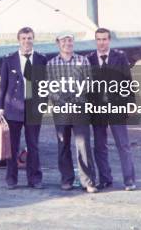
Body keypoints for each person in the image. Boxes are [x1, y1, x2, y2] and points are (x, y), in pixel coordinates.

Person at [46, 32, 98, 193]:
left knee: (83, 144)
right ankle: (66, 179)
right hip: (61, 109)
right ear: (58, 43)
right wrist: (60, 99)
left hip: (80, 108)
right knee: (63, 144)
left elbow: (89, 84)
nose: (67, 43)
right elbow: (48, 87)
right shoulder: (51, 64)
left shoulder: (82, 61)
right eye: (63, 40)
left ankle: (88, 181)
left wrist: (79, 98)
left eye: (69, 40)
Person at [0, 27, 47, 190]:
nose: (27, 41)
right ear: (19, 40)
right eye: (24, 38)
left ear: (34, 40)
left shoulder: (41, 59)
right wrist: (0, 107)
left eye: (30, 38)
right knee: (12, 146)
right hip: (13, 108)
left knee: (33, 145)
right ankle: (11, 179)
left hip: (33, 107)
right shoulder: (9, 59)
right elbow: (2, 85)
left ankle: (35, 179)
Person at [88, 27, 136, 191]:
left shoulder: (120, 57)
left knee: (123, 145)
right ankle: (105, 179)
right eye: (99, 39)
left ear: (109, 40)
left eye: (104, 39)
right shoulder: (89, 59)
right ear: (96, 41)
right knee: (100, 146)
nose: (102, 43)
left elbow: (127, 81)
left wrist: (130, 103)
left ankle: (129, 180)